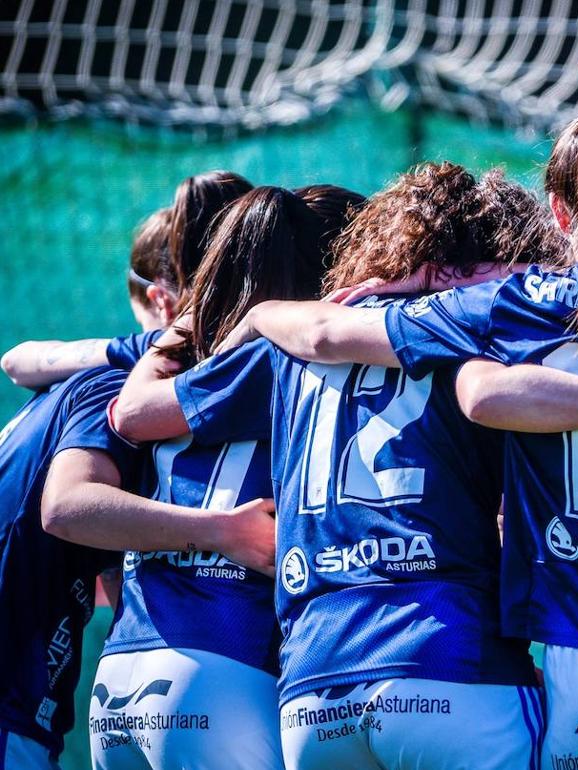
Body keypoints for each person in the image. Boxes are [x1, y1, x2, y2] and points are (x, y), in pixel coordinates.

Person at [112, 164, 578, 770]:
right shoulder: (481, 342)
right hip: (449, 661)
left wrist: (224, 323)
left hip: (312, 693)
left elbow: (135, 416)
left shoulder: (291, 345)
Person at [63, 184, 361, 770]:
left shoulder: (172, 366)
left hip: (121, 675)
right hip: (227, 665)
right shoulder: (300, 365)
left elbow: (37, 368)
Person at [0, 198, 267, 769]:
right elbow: (69, 505)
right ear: (167, 302)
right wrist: (222, 531)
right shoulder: (113, 388)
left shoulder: (76, 383)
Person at [1, 171, 253, 389]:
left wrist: (151, 344)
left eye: (143, 321)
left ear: (161, 301)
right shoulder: (276, 325)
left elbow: (15, 362)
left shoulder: (164, 349)